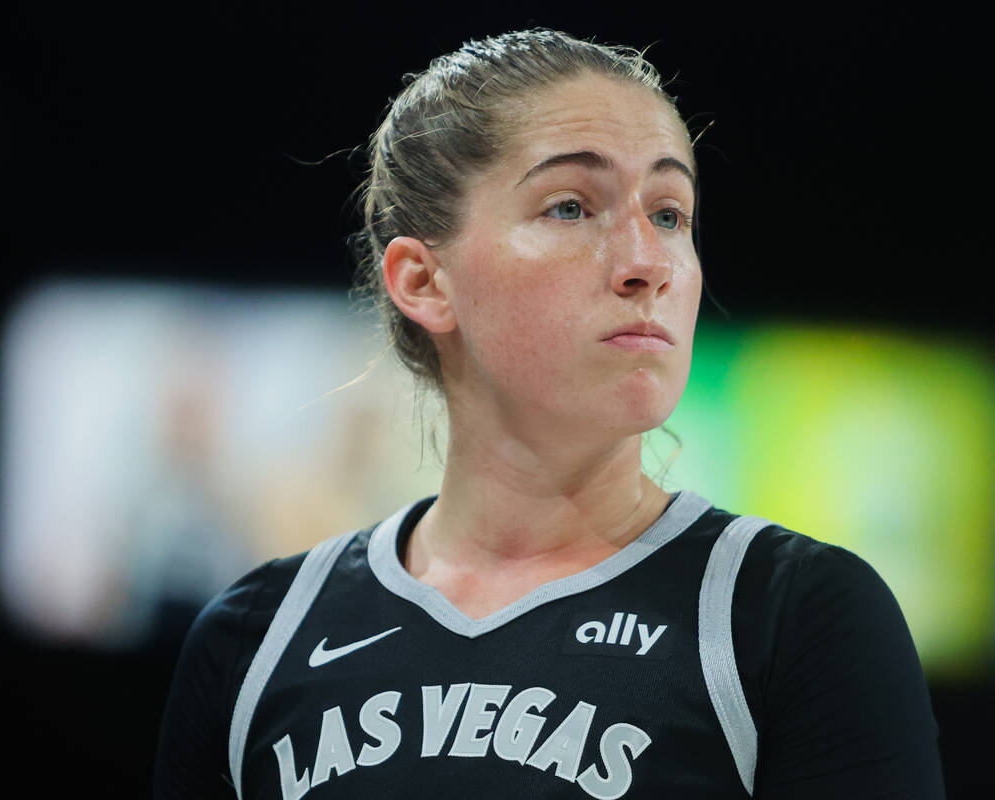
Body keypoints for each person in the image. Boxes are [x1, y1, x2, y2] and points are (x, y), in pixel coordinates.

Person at [154, 29, 946, 799]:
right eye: (571, 207)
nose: (648, 264)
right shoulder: (255, 640)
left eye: (670, 213)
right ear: (425, 281)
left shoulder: (792, 620)